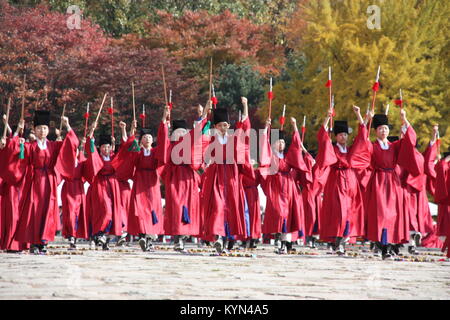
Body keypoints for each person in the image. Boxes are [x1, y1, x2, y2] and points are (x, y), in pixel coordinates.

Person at [12, 111, 77, 254]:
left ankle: (44, 241)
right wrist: (18, 138)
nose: (42, 131)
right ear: (34, 130)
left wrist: (67, 126)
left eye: (45, 128)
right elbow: (16, 153)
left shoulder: (54, 146)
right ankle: (34, 241)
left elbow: (71, 145)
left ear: (49, 130)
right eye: (39, 128)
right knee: (34, 210)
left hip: (49, 181)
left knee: (47, 210)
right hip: (34, 182)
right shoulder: (30, 146)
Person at [364, 109, 421, 260]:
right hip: (378, 182)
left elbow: (410, 141)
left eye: (386, 128)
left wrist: (404, 119)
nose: (384, 131)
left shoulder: (394, 146)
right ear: (376, 131)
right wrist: (366, 120)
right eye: (381, 128)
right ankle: (382, 245)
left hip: (393, 182)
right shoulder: (372, 146)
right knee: (381, 214)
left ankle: (388, 246)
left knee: (392, 215)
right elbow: (361, 143)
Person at [315, 106, 369, 255]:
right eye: (340, 135)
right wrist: (327, 117)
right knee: (340, 212)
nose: (343, 137)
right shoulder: (332, 149)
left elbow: (362, 138)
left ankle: (343, 242)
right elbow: (322, 138)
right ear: (336, 137)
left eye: (345, 134)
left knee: (350, 212)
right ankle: (337, 241)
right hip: (336, 181)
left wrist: (359, 115)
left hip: (350, 181)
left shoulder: (351, 150)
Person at [112, 112, 167, 252]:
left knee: (152, 210)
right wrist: (127, 129)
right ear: (141, 140)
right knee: (141, 210)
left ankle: (148, 238)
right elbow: (127, 145)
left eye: (149, 137)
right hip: (140, 182)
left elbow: (164, 142)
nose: (147, 139)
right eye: (144, 137)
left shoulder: (156, 152)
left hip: (152, 184)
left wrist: (164, 120)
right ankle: (142, 235)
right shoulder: (138, 152)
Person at [200, 100, 249, 254]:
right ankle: (218, 237)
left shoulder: (235, 138)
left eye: (225, 125)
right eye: (220, 125)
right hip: (216, 175)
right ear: (215, 127)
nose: (223, 127)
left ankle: (229, 238)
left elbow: (245, 126)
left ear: (228, 126)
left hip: (232, 176)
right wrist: (205, 111)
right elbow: (200, 132)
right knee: (217, 206)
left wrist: (245, 105)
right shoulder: (211, 139)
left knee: (231, 207)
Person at [258, 117, 309, 254]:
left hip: (289, 188)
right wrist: (266, 128)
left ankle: (285, 242)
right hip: (276, 187)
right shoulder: (270, 156)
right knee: (278, 214)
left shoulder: (288, 157)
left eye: (282, 141)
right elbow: (263, 147)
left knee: (288, 215)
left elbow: (297, 145)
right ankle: (279, 240)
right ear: (273, 144)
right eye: (278, 141)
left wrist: (294, 126)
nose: (281, 144)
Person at [84, 122, 125, 250]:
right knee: (105, 210)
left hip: (113, 185)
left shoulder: (113, 157)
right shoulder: (97, 157)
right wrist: (91, 130)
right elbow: (90, 149)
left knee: (113, 212)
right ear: (100, 148)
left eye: (108, 147)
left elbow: (125, 150)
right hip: (100, 185)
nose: (106, 149)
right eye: (103, 147)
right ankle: (99, 233)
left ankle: (106, 239)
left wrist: (123, 129)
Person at [56, 136, 90, 249]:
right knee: (70, 213)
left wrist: (85, 146)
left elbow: (88, 171)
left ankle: (74, 236)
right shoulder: (65, 163)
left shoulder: (81, 162)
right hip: (68, 189)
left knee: (77, 214)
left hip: (79, 190)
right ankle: (71, 235)